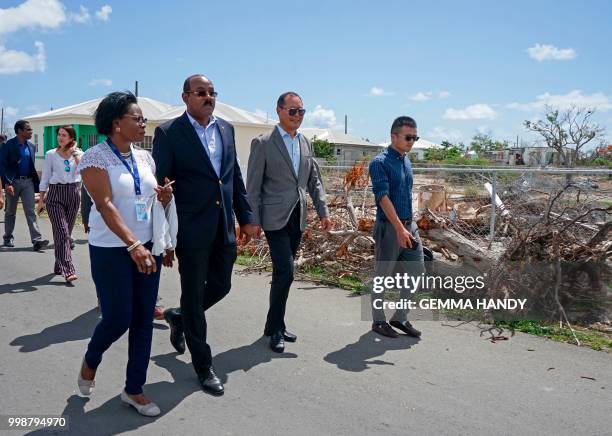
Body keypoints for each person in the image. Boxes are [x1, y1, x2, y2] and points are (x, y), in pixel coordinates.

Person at [152, 74, 256, 396]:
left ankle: (179, 316)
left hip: (223, 225)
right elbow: (161, 183)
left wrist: (247, 217)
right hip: (191, 228)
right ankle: (203, 365)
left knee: (222, 285)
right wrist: (165, 235)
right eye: (201, 92)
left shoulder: (226, 128)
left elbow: (233, 177)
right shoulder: (169, 133)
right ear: (185, 97)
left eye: (212, 93)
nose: (208, 97)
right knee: (195, 293)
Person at [77, 91, 173, 417]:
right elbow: (104, 205)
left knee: (143, 320)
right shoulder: (94, 157)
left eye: (144, 118)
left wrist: (162, 198)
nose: (144, 123)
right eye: (138, 118)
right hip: (111, 250)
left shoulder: (146, 158)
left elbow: (145, 200)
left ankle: (134, 390)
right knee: (118, 319)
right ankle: (92, 357)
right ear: (117, 123)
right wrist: (132, 245)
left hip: (147, 249)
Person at [247, 91, 332, 353]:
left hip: (298, 216)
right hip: (273, 218)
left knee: (282, 273)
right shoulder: (263, 143)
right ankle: (276, 328)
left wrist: (324, 211)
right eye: (292, 111)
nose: (297, 116)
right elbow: (253, 186)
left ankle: (273, 325)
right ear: (279, 111)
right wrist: (252, 220)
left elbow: (314, 181)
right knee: (286, 271)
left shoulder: (305, 143)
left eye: (301, 112)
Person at [368, 116, 424, 338]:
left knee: (417, 271)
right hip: (389, 227)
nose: (412, 141)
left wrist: (409, 226)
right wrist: (400, 229)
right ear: (393, 136)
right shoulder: (379, 162)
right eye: (408, 137)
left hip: (410, 225)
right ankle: (378, 321)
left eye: (415, 137)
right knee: (383, 275)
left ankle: (400, 317)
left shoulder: (406, 160)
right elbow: (382, 197)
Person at [38, 126, 83, 282]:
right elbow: (45, 177)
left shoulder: (79, 154)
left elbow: (84, 172)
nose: (60, 137)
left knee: (64, 233)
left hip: (73, 194)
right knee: (63, 233)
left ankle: (59, 265)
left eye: (64, 135)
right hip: (55, 195)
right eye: (59, 135)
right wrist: (41, 199)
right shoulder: (51, 154)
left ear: (71, 138)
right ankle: (68, 269)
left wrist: (75, 153)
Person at [0, 120, 49, 250]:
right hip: (13, 182)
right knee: (10, 212)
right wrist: (6, 183)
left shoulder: (31, 146)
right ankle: (8, 237)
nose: (31, 132)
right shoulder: (8, 145)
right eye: (28, 130)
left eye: (31, 129)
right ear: (20, 131)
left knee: (30, 211)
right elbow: (2, 165)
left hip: (27, 182)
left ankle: (36, 240)